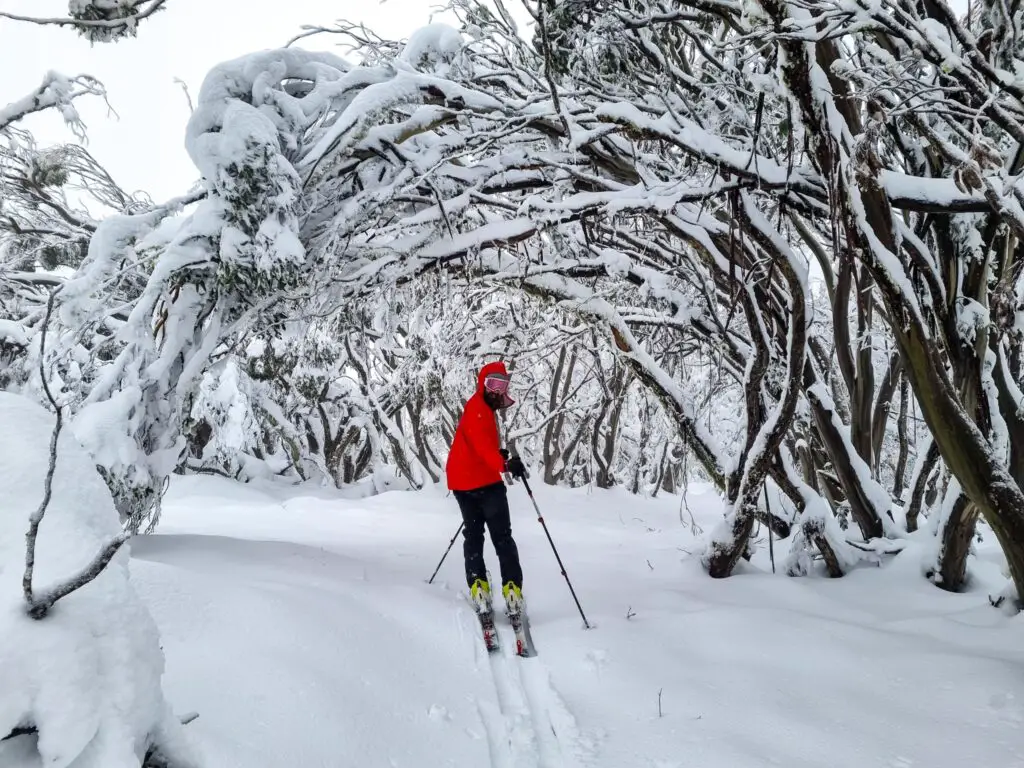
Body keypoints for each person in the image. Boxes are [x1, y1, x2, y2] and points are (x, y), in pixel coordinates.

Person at [445, 361, 529, 617]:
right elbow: (482, 447)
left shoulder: (479, 408)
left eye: (501, 385)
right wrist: (503, 463)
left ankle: (479, 585)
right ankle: (511, 588)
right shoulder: (478, 410)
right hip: (483, 484)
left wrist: (497, 455)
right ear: (482, 384)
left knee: (474, 534)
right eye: (492, 384)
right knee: (501, 537)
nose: (496, 391)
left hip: (463, 483)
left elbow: (479, 446)